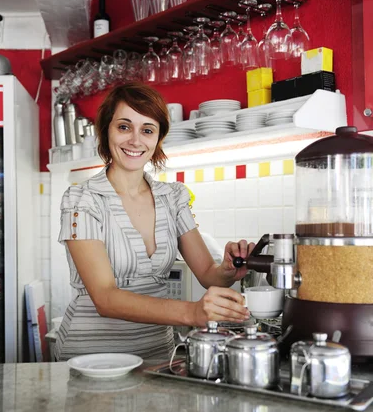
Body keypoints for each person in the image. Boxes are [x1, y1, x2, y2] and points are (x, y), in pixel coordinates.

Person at [55, 83, 254, 361]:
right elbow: (105, 297)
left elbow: (208, 273)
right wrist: (192, 312)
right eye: (124, 127)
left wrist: (230, 268)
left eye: (147, 130)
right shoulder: (82, 200)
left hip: (158, 356)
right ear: (106, 131)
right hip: (92, 359)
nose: (136, 140)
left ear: (158, 138)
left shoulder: (172, 198)